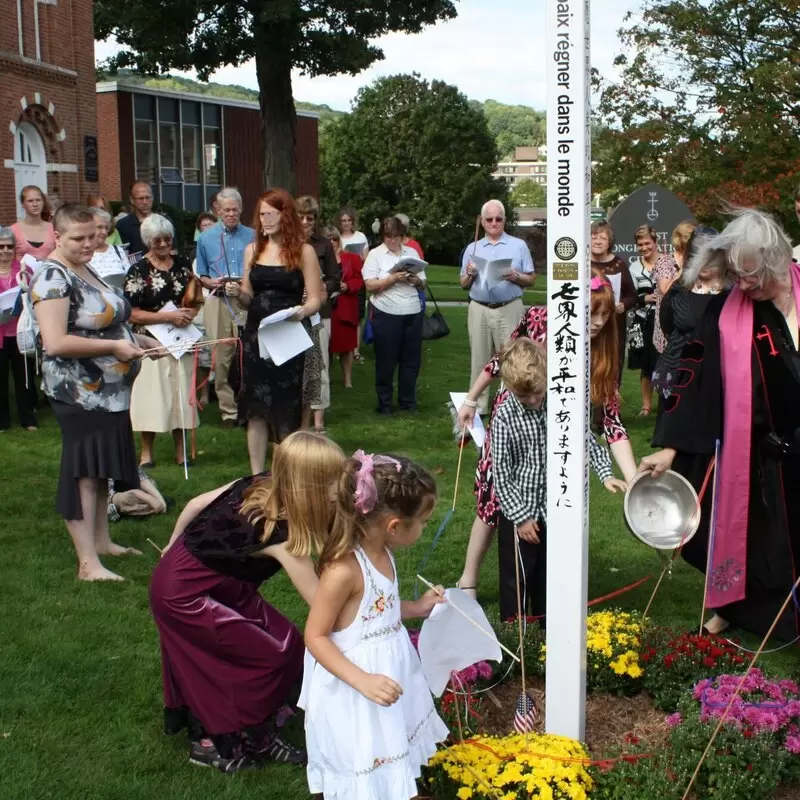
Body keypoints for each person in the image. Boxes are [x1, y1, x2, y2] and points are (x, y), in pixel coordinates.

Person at [641, 209, 800, 642]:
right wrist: (670, 447)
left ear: (776, 261)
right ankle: (739, 612)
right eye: (735, 275)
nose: (741, 285)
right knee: (750, 534)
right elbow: (694, 379)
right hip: (752, 448)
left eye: (749, 275)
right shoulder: (723, 313)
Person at [150, 431, 346, 773]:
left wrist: (171, 545)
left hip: (219, 585)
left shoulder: (261, 483)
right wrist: (372, 610)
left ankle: (259, 733)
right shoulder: (279, 534)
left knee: (286, 644)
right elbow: (320, 600)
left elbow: (196, 503)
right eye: (335, 482)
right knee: (261, 656)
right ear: (310, 487)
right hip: (186, 595)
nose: (341, 489)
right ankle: (208, 743)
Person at [455, 273, 637, 598]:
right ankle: (469, 578)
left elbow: (609, 422)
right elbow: (501, 360)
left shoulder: (603, 354)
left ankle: (548, 583)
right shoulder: (541, 318)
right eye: (589, 313)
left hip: (559, 430)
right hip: (516, 419)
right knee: (494, 494)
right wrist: (471, 399)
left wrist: (631, 478)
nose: (596, 322)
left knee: (544, 499)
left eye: (603, 315)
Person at [300, 450, 449, 799]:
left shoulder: (384, 552)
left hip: (385, 673)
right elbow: (315, 636)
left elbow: (378, 609)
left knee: (388, 745)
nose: (425, 528)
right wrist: (362, 680)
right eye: (423, 522)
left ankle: (396, 789)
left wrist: (417, 607)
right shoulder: (343, 572)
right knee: (362, 755)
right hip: (352, 686)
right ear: (394, 526)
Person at [30, 204, 163, 581]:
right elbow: (55, 342)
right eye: (79, 238)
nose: (90, 243)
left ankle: (103, 543)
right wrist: (115, 349)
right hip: (78, 393)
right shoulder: (51, 277)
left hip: (111, 391)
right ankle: (88, 563)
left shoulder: (84, 266)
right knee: (84, 473)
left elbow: (103, 324)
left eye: (94, 235)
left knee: (102, 469)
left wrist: (141, 339)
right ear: (58, 236)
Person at [237, 189, 324, 474]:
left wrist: (300, 313)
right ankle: (255, 476)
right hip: (255, 335)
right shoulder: (252, 250)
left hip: (287, 336)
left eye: (270, 214)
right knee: (256, 408)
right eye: (261, 214)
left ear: (285, 215)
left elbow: (316, 297)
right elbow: (247, 296)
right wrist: (236, 292)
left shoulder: (303, 251)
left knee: (286, 407)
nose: (264, 220)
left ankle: (284, 474)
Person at [124, 214, 201, 468]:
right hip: (150, 340)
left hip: (181, 338)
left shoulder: (182, 263)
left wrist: (190, 313)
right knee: (152, 397)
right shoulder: (138, 270)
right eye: (157, 240)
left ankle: (181, 452)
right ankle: (147, 452)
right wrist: (167, 317)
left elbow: (195, 297)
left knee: (180, 394)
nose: (163, 244)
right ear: (148, 241)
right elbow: (132, 312)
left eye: (167, 239)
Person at [460, 199, 536, 414]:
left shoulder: (518, 245)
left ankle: (511, 403)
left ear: (504, 220)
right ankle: (478, 405)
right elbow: (463, 284)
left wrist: (516, 275)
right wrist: (470, 274)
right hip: (480, 308)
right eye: (489, 219)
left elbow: (531, 279)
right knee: (479, 357)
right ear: (482, 222)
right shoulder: (472, 248)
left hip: (509, 306)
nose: (494, 223)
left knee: (513, 358)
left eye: (498, 219)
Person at [195, 187, 256, 427]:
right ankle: (228, 411)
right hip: (218, 299)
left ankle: (249, 405)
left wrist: (243, 285)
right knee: (221, 356)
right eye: (226, 210)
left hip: (245, 297)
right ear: (218, 211)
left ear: (241, 209)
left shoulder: (252, 236)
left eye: (234, 209)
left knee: (249, 352)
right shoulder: (206, 238)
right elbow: (202, 274)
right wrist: (212, 282)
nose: (230, 214)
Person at [362, 216, 427, 414]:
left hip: (412, 311)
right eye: (388, 237)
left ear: (402, 236)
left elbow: (423, 283)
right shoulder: (375, 254)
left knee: (411, 360)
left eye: (396, 236)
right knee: (386, 359)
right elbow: (369, 285)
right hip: (386, 312)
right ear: (383, 236)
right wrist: (391, 279)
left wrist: (415, 280)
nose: (392, 241)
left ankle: (408, 402)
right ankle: (385, 404)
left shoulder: (411, 252)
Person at [297, 195, 341, 434]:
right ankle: (297, 417)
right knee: (297, 367)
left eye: (310, 218)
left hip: (319, 313)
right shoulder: (286, 244)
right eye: (301, 217)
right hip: (293, 313)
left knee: (319, 365)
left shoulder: (323, 245)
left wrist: (323, 288)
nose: (305, 222)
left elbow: (336, 277)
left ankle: (318, 420)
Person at [0, 227, 37, 431]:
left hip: (19, 331)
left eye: (9, 246)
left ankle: (28, 418)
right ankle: (2, 421)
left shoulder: (22, 270)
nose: (5, 250)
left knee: (23, 377)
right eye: (1, 246)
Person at [591, 220, 636, 381]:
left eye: (602, 238)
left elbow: (632, 294)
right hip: (589, 327)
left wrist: (624, 305)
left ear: (609, 242)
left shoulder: (619, 263)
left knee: (612, 368)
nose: (597, 241)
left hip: (614, 326)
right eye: (594, 236)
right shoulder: (581, 263)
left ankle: (610, 403)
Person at [324, 225, 364, 388]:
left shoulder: (351, 258)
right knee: (326, 346)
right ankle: (327, 378)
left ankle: (347, 380)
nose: (332, 242)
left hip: (345, 306)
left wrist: (347, 286)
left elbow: (359, 279)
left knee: (346, 347)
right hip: (325, 306)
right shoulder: (319, 257)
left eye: (334, 238)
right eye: (328, 239)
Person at [628, 224, 660, 416]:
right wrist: (644, 298)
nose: (644, 247)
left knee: (665, 362)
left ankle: (667, 404)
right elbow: (630, 295)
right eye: (640, 244)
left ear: (655, 242)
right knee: (646, 364)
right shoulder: (633, 267)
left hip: (665, 320)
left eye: (647, 243)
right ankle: (646, 406)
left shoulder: (668, 262)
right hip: (643, 320)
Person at [190, 212, 218, 406]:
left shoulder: (225, 251)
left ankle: (223, 391)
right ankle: (204, 393)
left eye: (211, 225)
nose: (207, 228)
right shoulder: (197, 255)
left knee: (223, 352)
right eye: (203, 226)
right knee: (203, 353)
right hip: (202, 307)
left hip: (223, 305)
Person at [334, 207, 369, 363]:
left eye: (349, 220)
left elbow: (367, 259)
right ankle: (339, 347)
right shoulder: (336, 238)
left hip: (357, 277)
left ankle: (355, 350)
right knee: (339, 316)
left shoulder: (360, 236)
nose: (346, 223)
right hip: (340, 278)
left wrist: (360, 257)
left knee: (357, 315)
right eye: (343, 221)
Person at [116, 181, 178, 262]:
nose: (145, 202)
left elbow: (174, 249)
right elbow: (123, 255)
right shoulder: (123, 225)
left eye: (148, 197)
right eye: (141, 198)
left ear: (152, 198)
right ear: (132, 200)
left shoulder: (164, 221)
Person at [11, 185, 56, 263]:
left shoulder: (53, 229)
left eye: (38, 200)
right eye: (30, 201)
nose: (35, 204)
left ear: (43, 202)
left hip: (48, 273)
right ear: (23, 204)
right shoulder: (13, 230)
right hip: (22, 273)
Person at [87, 209, 129, 287]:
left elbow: (130, 276)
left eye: (106, 228)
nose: (104, 232)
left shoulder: (118, 251)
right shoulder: (84, 253)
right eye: (99, 227)